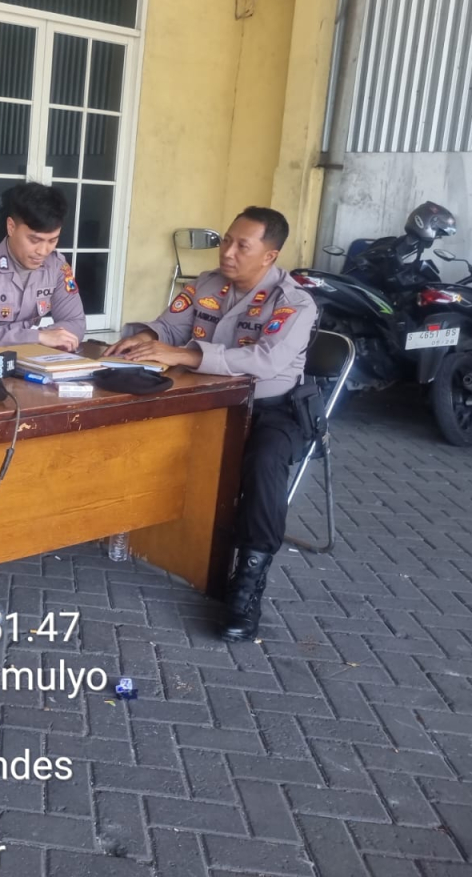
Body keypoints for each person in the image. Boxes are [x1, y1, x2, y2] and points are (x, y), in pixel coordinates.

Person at [105, 206, 317, 642]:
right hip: (204, 399)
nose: (228, 252)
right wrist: (145, 338)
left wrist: (185, 355)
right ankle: (135, 525)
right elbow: (170, 326)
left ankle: (248, 581)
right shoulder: (206, 284)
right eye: (226, 240)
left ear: (269, 256)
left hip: (269, 408)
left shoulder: (293, 303)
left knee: (265, 465)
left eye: (242, 246)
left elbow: (265, 361)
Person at [0, 182, 86, 354]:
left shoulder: (56, 267)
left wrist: (46, 337)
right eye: (34, 240)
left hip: (25, 361)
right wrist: (37, 337)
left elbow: (76, 322)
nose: (43, 251)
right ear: (11, 227)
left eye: (52, 241)